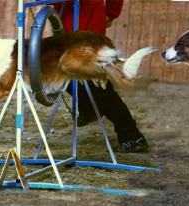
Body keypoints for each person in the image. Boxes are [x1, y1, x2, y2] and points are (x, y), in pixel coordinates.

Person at [50, 0, 148, 153]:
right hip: (72, 23)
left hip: (84, 24)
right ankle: (88, 108)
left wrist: (110, 12)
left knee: (97, 87)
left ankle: (132, 136)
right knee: (62, 72)